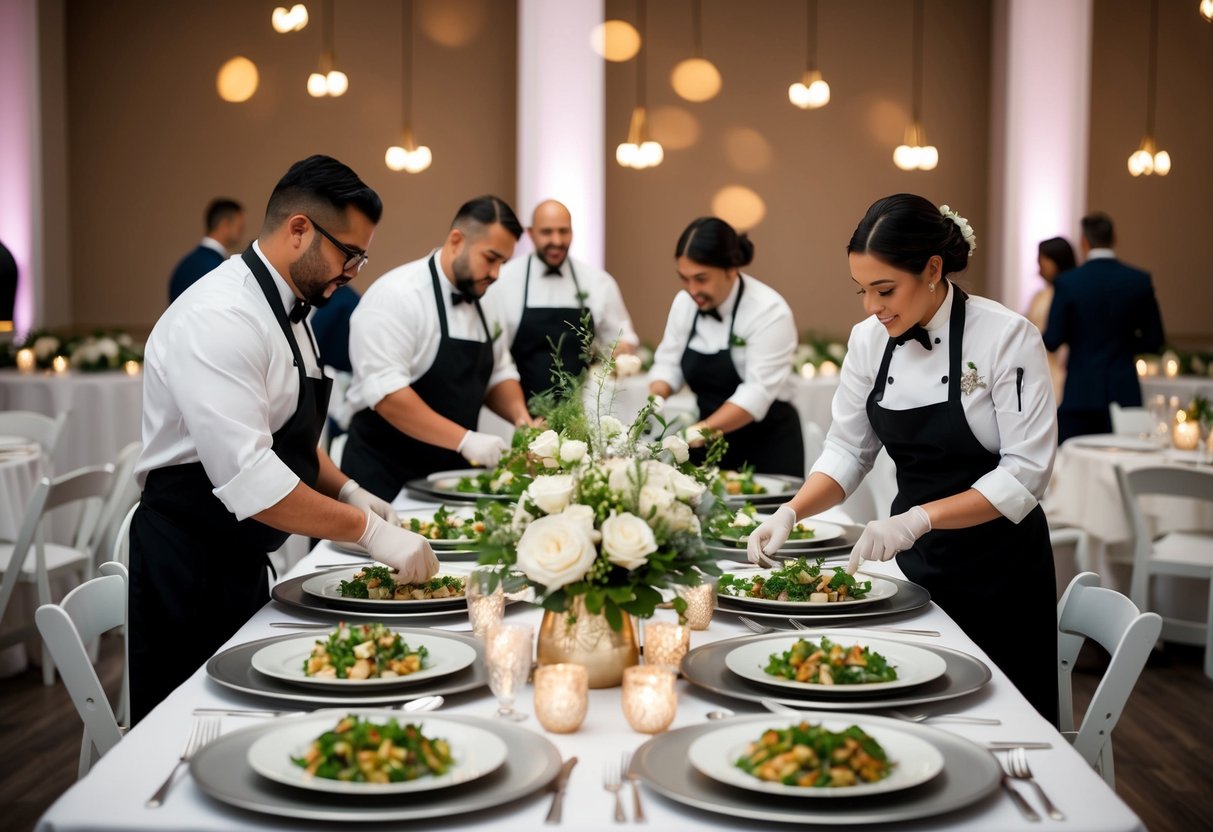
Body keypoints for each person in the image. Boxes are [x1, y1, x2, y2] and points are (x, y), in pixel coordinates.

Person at [130, 155, 438, 722]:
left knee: (254, 719)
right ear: (299, 230)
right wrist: (368, 532)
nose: (354, 271)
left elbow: (283, 431)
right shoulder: (219, 315)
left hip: (241, 555)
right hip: (190, 564)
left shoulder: (292, 308)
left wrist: (348, 490)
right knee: (191, 736)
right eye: (349, 254)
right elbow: (254, 479)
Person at [745, 194, 1060, 725]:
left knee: (998, 722)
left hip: (1000, 571)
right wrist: (792, 513)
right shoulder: (868, 341)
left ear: (933, 269)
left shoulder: (1006, 336)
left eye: (884, 289)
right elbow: (848, 450)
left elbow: (1026, 474)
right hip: (913, 567)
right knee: (911, 707)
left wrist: (919, 518)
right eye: (862, 290)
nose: (871, 305)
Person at [340, 196, 536, 501]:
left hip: (451, 478)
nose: (497, 273)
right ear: (457, 241)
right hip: (383, 476)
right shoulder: (396, 296)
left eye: (504, 263)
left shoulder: (489, 298)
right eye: (491, 258)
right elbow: (387, 395)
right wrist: (466, 440)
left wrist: (522, 420)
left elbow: (499, 371)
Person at [648, 216, 804, 476]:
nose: (692, 289)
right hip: (707, 442)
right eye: (684, 278)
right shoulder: (685, 303)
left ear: (731, 269)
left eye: (701, 278)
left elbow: (756, 393)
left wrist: (699, 431)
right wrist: (655, 400)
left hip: (767, 445)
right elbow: (669, 363)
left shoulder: (769, 311)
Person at [485, 199, 638, 401]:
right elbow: (495, 354)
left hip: (582, 409)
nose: (557, 240)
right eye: (547, 232)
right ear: (530, 233)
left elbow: (622, 336)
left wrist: (621, 350)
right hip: (520, 411)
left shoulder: (598, 282)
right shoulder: (503, 280)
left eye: (563, 231)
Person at [1043, 212, 1165, 443]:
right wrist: (1124, 345)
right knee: (1125, 460)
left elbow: (1053, 339)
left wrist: (1077, 340)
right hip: (1123, 388)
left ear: (1084, 241)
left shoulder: (1069, 282)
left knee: (1075, 463)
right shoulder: (1138, 280)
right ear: (1114, 238)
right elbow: (1155, 339)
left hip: (1081, 391)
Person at [1026, 237, 1076, 405]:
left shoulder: (1066, 294)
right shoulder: (1040, 295)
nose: (1039, 264)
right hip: (1037, 358)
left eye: (1043, 259)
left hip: (1058, 363)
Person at [168, 198, 246, 302]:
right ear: (224, 225)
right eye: (239, 228)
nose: (241, 233)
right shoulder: (218, 268)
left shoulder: (184, 265)